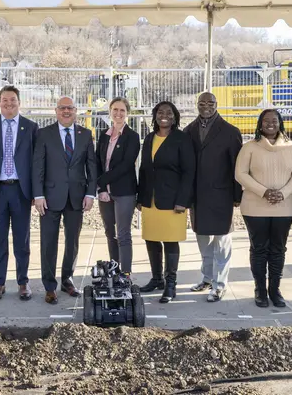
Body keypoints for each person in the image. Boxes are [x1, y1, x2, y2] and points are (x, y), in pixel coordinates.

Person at [234, 108, 292, 308]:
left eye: (274, 120)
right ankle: (260, 290)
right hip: (254, 208)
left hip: (283, 207)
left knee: (278, 249)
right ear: (260, 124)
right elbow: (241, 174)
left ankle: (275, 289)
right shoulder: (249, 147)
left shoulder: (291, 147)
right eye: (266, 120)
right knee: (259, 249)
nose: (270, 123)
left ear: (280, 123)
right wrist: (264, 191)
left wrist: (283, 192)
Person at [32, 96, 98, 304]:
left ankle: (67, 280)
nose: (66, 111)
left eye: (70, 108)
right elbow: (37, 167)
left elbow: (91, 167)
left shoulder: (86, 134)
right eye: (62, 108)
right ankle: (50, 286)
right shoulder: (44, 134)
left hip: (77, 197)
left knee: (73, 242)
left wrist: (90, 193)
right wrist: (38, 195)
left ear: (76, 110)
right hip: (50, 197)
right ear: (56, 110)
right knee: (48, 243)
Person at [0, 85, 39, 302]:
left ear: (19, 102)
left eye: (13, 100)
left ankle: (23, 282)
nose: (9, 104)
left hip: (21, 192)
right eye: (4, 100)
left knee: (22, 240)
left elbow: (36, 163)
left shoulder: (31, 127)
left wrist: (36, 192)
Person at [184, 92, 242, 303]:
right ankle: (207, 278)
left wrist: (237, 196)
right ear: (196, 104)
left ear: (217, 104)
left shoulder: (230, 132)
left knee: (222, 243)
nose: (206, 106)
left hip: (222, 196)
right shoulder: (188, 130)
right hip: (198, 198)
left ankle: (220, 285)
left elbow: (237, 167)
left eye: (211, 103)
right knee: (202, 240)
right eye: (202, 103)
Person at [137, 101, 196, 303]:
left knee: (170, 242)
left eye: (168, 112)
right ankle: (156, 279)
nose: (164, 115)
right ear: (154, 116)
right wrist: (140, 197)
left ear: (174, 116)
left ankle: (171, 284)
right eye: (160, 112)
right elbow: (144, 169)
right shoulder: (149, 138)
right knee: (152, 240)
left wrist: (183, 201)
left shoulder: (181, 139)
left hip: (173, 202)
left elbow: (189, 172)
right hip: (150, 200)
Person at [95, 97, 141, 278]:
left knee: (123, 234)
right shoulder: (104, 135)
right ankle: (114, 271)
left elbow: (125, 165)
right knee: (109, 232)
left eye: (122, 110)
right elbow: (98, 161)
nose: (118, 114)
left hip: (124, 192)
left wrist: (100, 180)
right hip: (105, 192)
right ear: (110, 111)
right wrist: (102, 188)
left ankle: (126, 274)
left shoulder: (132, 137)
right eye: (115, 109)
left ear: (127, 113)